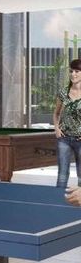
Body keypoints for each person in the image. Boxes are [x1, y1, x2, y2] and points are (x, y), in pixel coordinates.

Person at [54, 58, 81, 189]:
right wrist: (56, 129)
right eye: (71, 71)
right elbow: (56, 113)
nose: (73, 74)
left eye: (77, 71)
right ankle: (57, 200)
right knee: (62, 174)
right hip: (64, 139)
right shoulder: (63, 93)